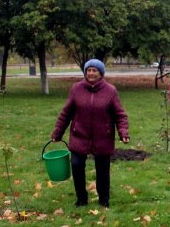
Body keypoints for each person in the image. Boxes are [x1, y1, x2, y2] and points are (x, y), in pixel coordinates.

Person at [51, 59, 129, 208]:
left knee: (103, 170)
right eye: (88, 70)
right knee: (76, 165)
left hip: (103, 137)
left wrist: (123, 132)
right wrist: (57, 133)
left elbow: (120, 115)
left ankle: (104, 199)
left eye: (95, 70)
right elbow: (66, 113)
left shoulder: (110, 91)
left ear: (101, 73)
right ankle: (81, 199)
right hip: (79, 135)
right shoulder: (76, 89)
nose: (91, 73)